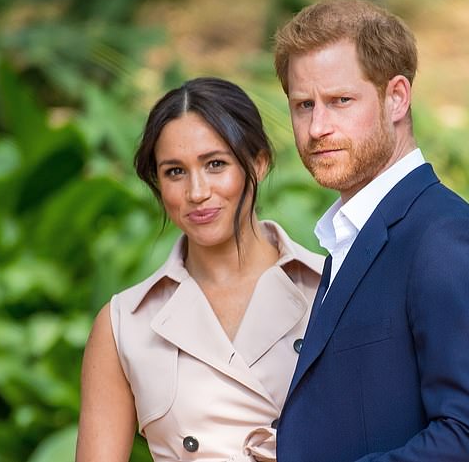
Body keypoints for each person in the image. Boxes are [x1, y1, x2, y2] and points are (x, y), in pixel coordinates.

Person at [272, 0, 469, 462]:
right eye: (303, 105)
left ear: (397, 97)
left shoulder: (446, 241)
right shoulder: (350, 236)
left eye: (340, 101)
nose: (317, 127)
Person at [75, 76, 324, 462]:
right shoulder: (124, 324)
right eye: (175, 171)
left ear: (258, 164)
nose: (197, 192)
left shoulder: (332, 289)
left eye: (215, 164)